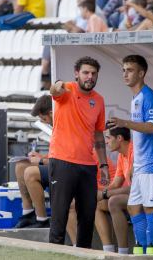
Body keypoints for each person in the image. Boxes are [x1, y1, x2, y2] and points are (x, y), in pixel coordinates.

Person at [108, 55, 153, 254]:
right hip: (142, 165)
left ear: (141, 73)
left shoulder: (148, 96)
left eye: (130, 70)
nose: (125, 74)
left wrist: (125, 123)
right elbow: (139, 136)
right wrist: (134, 162)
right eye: (124, 70)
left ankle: (151, 253)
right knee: (134, 208)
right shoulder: (135, 97)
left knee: (151, 210)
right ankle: (142, 250)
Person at [48, 56, 110, 248]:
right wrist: (57, 85)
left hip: (88, 166)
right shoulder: (66, 89)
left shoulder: (99, 100)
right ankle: (54, 253)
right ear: (77, 74)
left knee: (87, 216)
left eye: (93, 73)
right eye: (85, 73)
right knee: (60, 214)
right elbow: (54, 90)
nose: (89, 76)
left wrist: (104, 165)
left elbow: (99, 136)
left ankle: (84, 253)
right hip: (62, 161)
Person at [94, 123, 153, 254]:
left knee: (113, 201)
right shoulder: (121, 156)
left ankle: (122, 252)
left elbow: (135, 188)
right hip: (141, 197)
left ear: (119, 138)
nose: (106, 141)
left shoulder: (137, 152)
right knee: (96, 204)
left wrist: (104, 193)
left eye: (108, 137)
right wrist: (95, 194)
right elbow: (115, 184)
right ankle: (108, 250)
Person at [14, 95, 54, 228]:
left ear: (51, 113)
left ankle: (42, 220)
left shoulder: (64, 126)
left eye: (44, 119)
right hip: (56, 163)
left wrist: (42, 162)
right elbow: (57, 154)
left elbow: (66, 159)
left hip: (65, 168)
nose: (45, 122)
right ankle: (28, 213)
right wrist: (41, 157)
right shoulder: (57, 126)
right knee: (21, 166)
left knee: (31, 172)